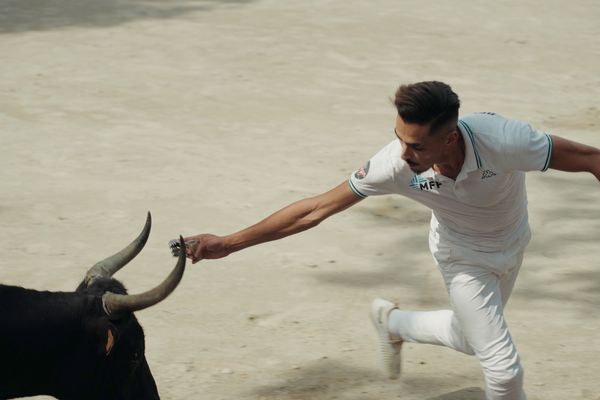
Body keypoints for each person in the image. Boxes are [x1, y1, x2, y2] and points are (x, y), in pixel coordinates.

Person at [184, 81, 600, 400]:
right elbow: (315, 209)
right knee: (503, 369)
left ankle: (393, 322)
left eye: (416, 145)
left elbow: (591, 159)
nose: (404, 153)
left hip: (514, 242)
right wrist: (230, 243)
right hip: (463, 258)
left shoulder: (504, 139)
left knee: (470, 338)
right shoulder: (394, 165)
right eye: (400, 137)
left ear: (450, 137)